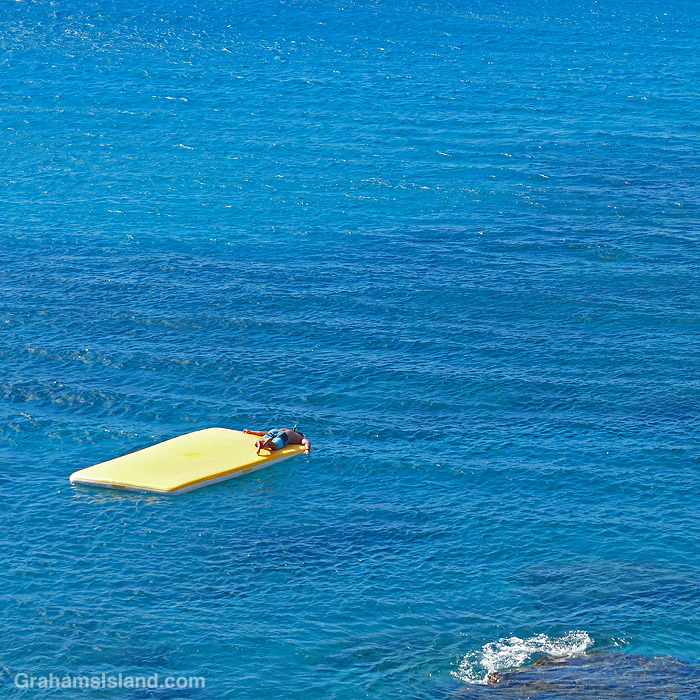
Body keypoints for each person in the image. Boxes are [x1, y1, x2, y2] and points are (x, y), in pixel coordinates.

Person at [243, 427, 311, 455]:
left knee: (257, 442)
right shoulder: (299, 437)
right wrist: (307, 449)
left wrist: (251, 431)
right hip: (284, 436)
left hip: (275, 431)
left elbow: (263, 433)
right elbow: (307, 442)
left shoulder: (286, 429)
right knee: (275, 446)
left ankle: (262, 441)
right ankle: (269, 443)